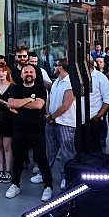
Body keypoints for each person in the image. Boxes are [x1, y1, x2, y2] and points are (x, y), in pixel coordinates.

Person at [5, 64, 53, 202]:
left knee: (41, 158)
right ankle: (15, 185)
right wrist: (28, 100)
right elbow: (11, 103)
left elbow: (39, 105)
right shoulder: (15, 88)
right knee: (18, 159)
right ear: (21, 74)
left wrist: (18, 104)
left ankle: (48, 186)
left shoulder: (40, 88)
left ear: (35, 74)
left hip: (36, 129)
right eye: (26, 72)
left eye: (31, 71)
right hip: (19, 129)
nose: (28, 73)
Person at [31, 60, 76, 190]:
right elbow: (49, 99)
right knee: (49, 151)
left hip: (65, 123)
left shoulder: (70, 82)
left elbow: (66, 105)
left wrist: (52, 116)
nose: (54, 68)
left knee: (67, 152)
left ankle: (66, 177)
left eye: (56, 66)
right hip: (51, 122)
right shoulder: (56, 82)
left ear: (60, 68)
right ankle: (43, 174)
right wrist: (47, 116)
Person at [83, 56, 109, 153]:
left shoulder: (100, 78)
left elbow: (108, 98)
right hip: (77, 121)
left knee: (94, 150)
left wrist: (99, 115)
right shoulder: (77, 77)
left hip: (94, 120)